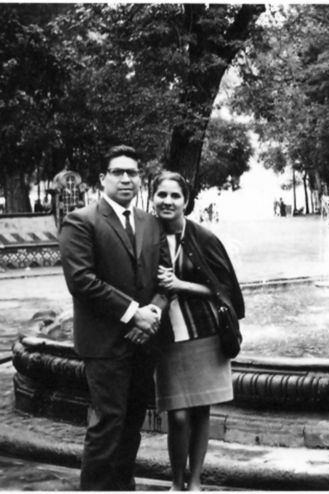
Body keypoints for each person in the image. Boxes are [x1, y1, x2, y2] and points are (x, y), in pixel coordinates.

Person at [58, 145, 168, 490]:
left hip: (143, 343)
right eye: (117, 172)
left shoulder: (150, 222)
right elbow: (81, 281)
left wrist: (154, 313)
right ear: (102, 178)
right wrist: (134, 314)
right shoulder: (81, 221)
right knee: (108, 425)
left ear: (140, 179)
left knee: (132, 425)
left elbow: (165, 277)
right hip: (104, 344)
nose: (125, 179)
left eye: (132, 172)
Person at [151, 171, 244, 491]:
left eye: (175, 196)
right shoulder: (146, 235)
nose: (168, 201)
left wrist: (181, 284)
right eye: (162, 194)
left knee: (202, 410)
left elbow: (224, 290)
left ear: (186, 201)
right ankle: (176, 483)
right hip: (167, 336)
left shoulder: (203, 238)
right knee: (177, 415)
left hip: (204, 333)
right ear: (153, 198)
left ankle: (195, 482)